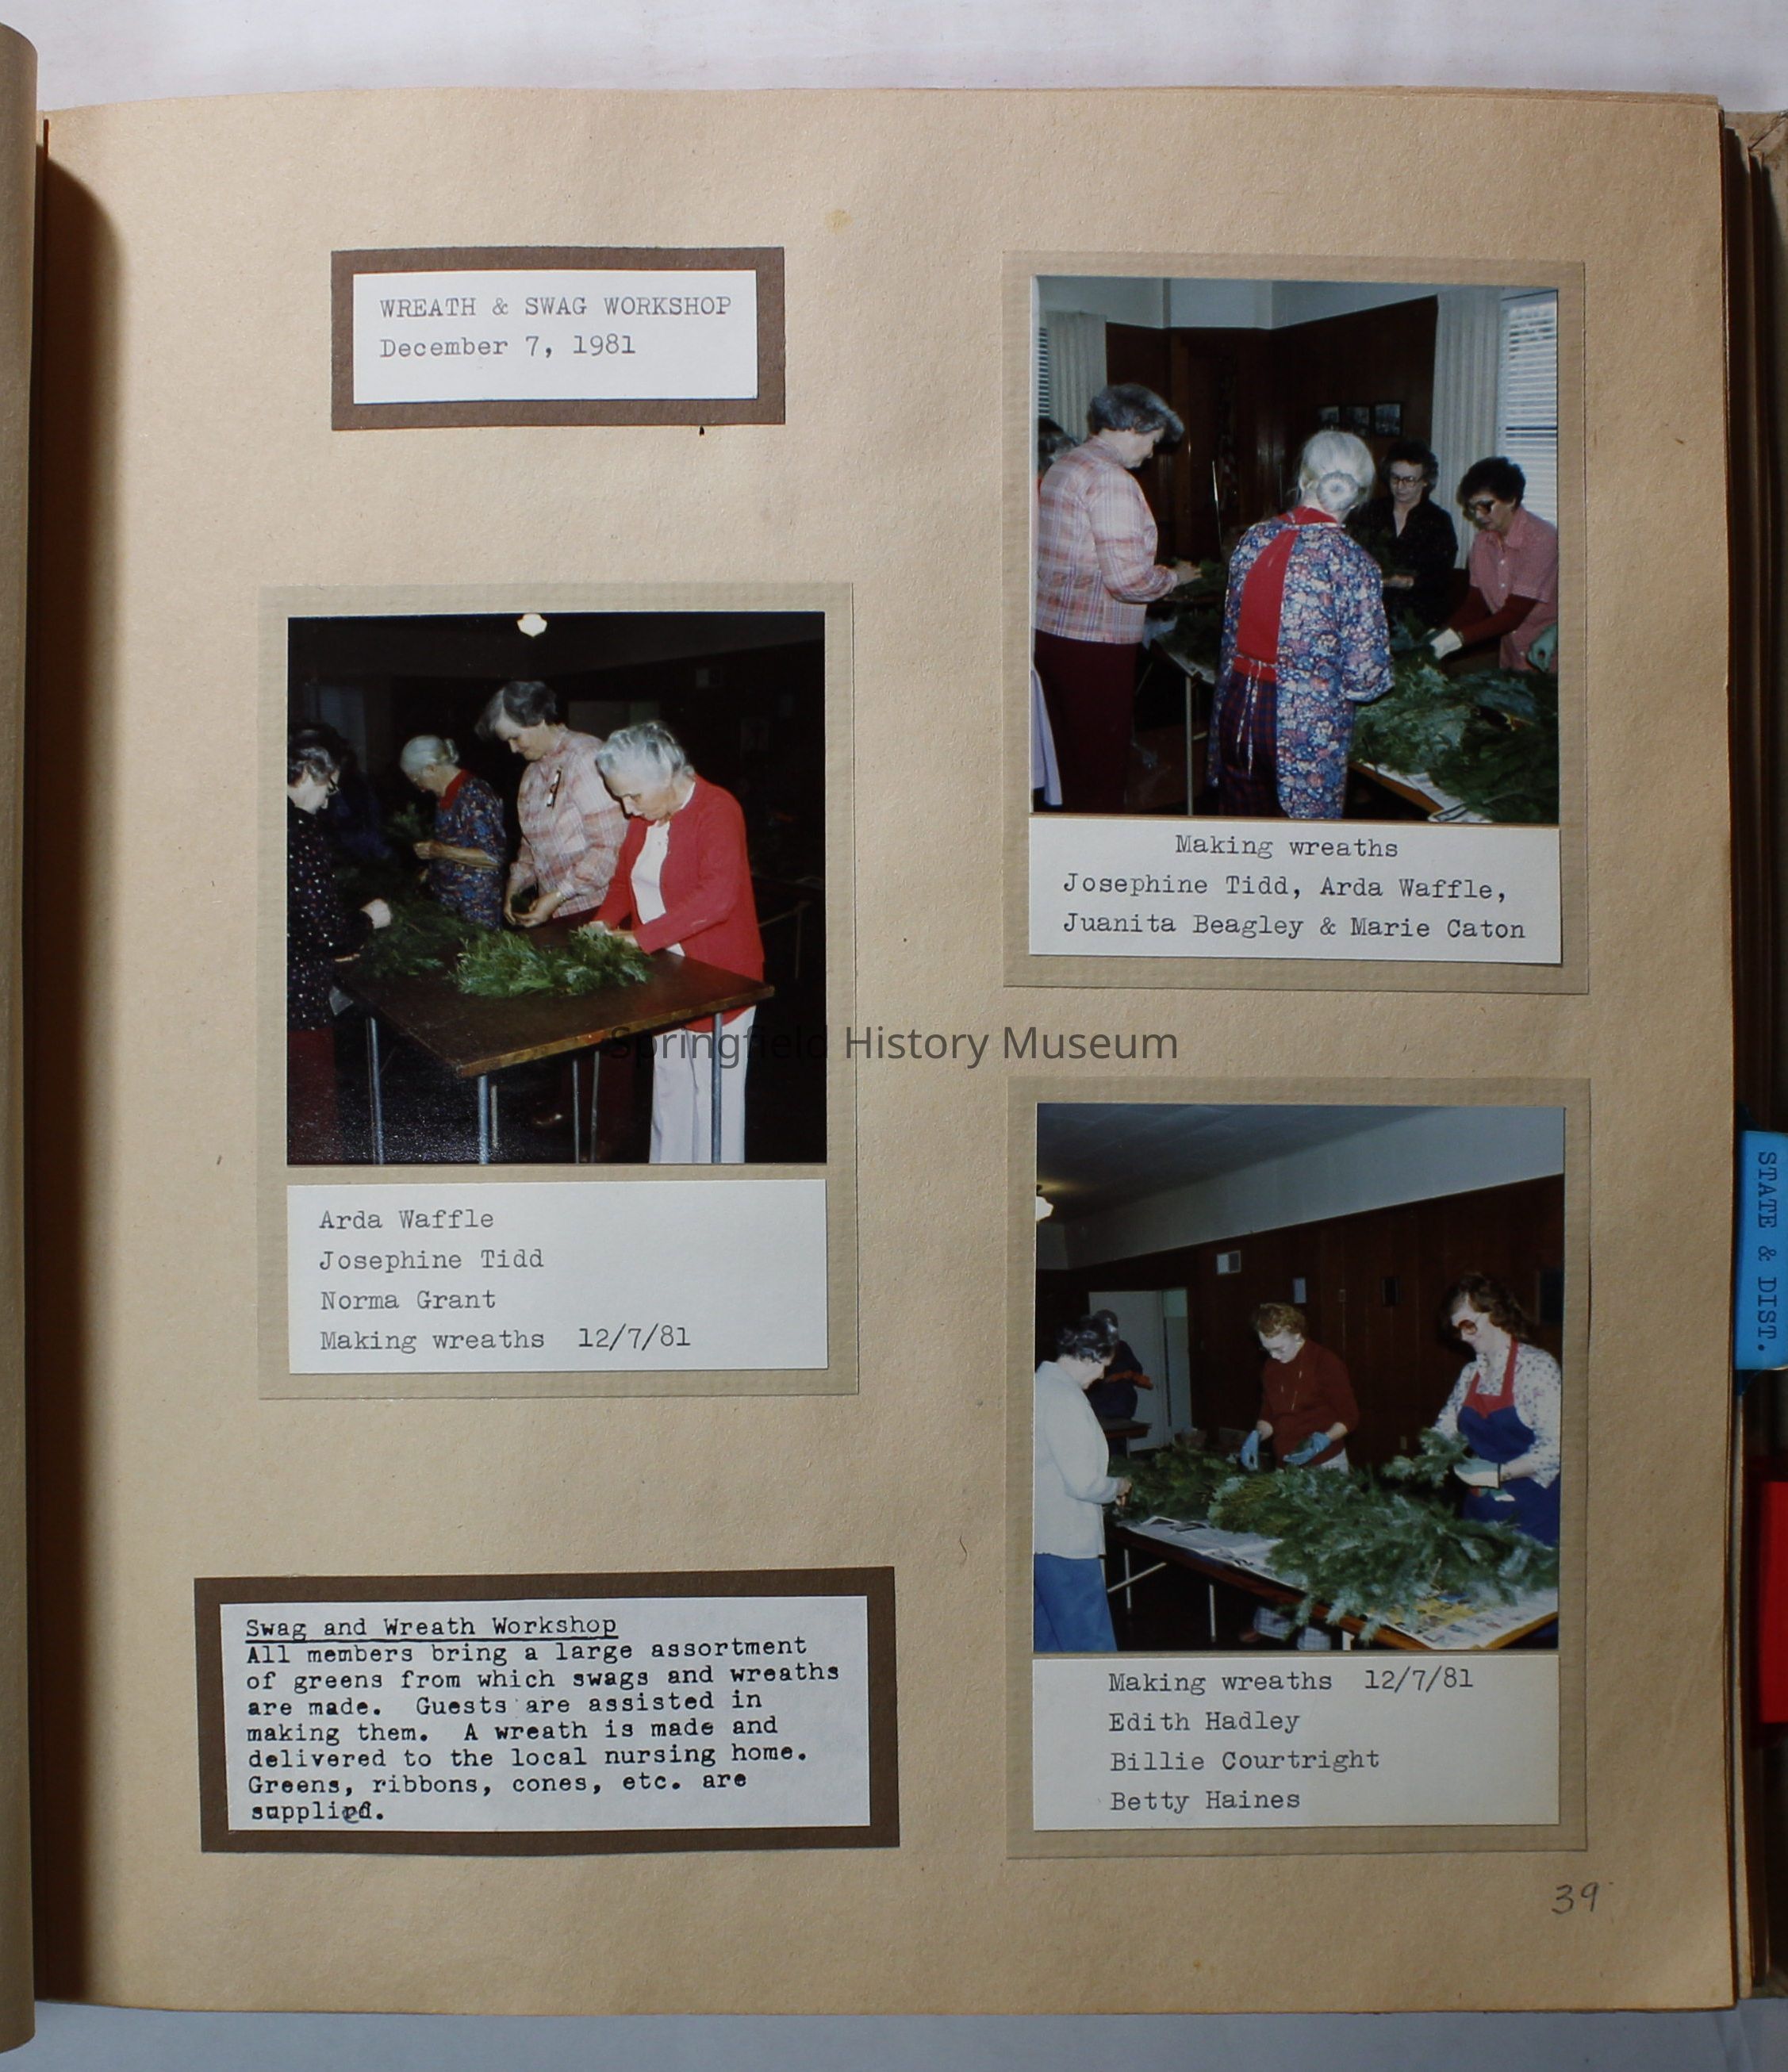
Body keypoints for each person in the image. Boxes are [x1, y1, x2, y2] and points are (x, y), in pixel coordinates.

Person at [590, 721, 765, 1165]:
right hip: (667, 977)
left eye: (634, 796)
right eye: (620, 797)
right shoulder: (644, 818)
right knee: (670, 1091)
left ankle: (718, 1191)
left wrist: (639, 939)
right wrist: (601, 925)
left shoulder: (717, 809)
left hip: (719, 979)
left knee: (714, 1099)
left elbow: (718, 898)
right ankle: (667, 1181)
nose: (627, 809)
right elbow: (624, 882)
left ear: (667, 776)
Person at [1212, 430, 1392, 819]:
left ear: (1302, 479)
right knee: (1305, 843)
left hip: (1238, 705)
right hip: (1304, 725)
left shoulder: (1253, 538)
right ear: (1359, 494)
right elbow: (1365, 678)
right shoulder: (1351, 561)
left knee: (1246, 836)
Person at [1033, 383, 1195, 813]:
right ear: (1134, 425)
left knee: (1071, 762)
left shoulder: (1066, 465)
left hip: (1053, 633)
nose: (1152, 453)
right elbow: (1128, 582)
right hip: (1096, 641)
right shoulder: (1111, 481)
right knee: (1101, 769)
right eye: (1153, 440)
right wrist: (1174, 577)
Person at [286, 734, 391, 1162]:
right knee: (312, 1111)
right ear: (308, 772)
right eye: (329, 787)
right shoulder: (300, 831)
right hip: (298, 999)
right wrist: (368, 919)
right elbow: (327, 933)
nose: (329, 801)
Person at [478, 680, 626, 927]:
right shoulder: (532, 774)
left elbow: (610, 848)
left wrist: (559, 895)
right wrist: (515, 885)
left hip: (598, 909)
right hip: (558, 911)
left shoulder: (586, 758)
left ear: (538, 719)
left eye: (515, 737)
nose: (512, 749)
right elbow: (531, 844)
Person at [1431, 1273, 1562, 1546]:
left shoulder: (1537, 1368)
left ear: (1494, 1311)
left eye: (1468, 1325)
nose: (1463, 1337)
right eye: (1457, 1330)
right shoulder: (1470, 1374)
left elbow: (1556, 1449)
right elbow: (1445, 1428)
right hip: (1480, 1513)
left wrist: (1499, 1473)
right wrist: (1434, 1454)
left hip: (1533, 1516)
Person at [1034, 1313, 1131, 1653]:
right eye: (1102, 1365)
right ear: (1087, 1356)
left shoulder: (1039, 1386)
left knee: (1048, 1642)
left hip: (1041, 1540)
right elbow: (1084, 1484)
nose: (1102, 1374)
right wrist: (1118, 1486)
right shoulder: (1065, 1398)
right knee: (1090, 1645)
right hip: (1067, 1542)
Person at [1429, 457, 1558, 673]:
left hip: (1552, 662)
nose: (1478, 516)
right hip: (1511, 660)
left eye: (1485, 506)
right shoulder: (1482, 543)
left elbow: (1513, 615)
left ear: (1511, 500)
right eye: (1472, 508)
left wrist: (1457, 639)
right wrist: (1441, 633)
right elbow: (1475, 605)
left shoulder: (1542, 538)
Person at [1346, 438, 1460, 629]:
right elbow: (1353, 558)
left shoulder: (1439, 521)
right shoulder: (1369, 512)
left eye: (1409, 480)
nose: (1400, 487)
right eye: (1395, 478)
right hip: (1370, 611)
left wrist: (1408, 582)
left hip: (1419, 616)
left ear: (1425, 481)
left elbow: (1441, 575)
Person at [399, 734, 506, 929]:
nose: (420, 788)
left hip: (476, 912)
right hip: (452, 909)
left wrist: (442, 851)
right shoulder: (446, 795)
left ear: (431, 768)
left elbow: (493, 857)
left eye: (417, 779)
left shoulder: (474, 795)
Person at [1241, 1303, 1357, 1472]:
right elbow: (1269, 1416)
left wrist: (1324, 1440)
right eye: (1267, 1349)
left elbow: (1350, 1417)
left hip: (1325, 1463)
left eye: (1279, 1349)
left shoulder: (1325, 1362)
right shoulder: (1271, 1367)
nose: (1274, 1356)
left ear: (1296, 1334)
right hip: (1285, 1463)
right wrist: (1257, 1435)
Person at [1083, 1309, 1154, 1427]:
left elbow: (1136, 1370)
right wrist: (1120, 1376)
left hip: (1122, 1409)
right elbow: (1089, 1379)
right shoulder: (1090, 1350)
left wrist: (1135, 1376)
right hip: (1099, 1409)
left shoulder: (1123, 1347)